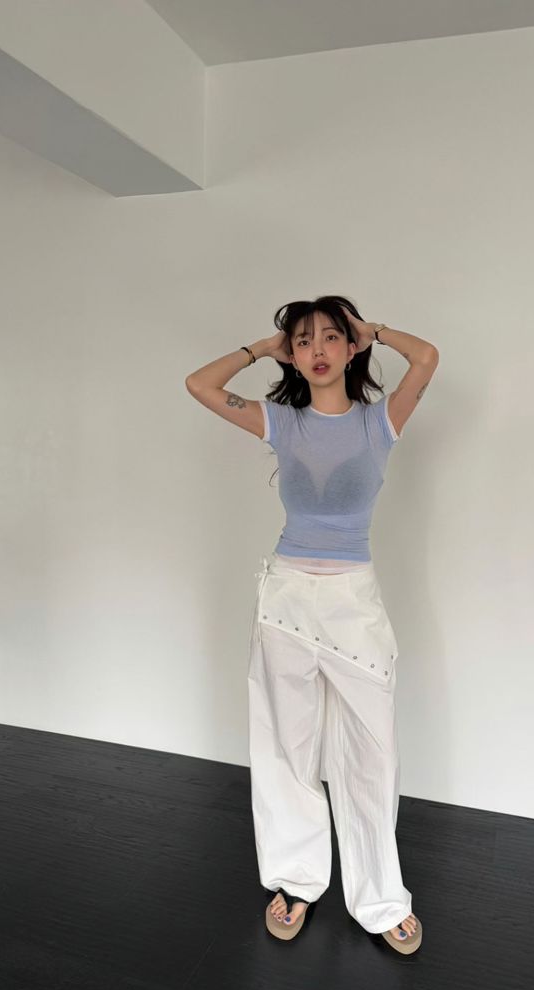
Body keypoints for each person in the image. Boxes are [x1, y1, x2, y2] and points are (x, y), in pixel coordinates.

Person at [185, 295, 439, 954]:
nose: (317, 349)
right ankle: (296, 881)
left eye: (331, 337)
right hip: (287, 598)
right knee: (286, 745)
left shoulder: (380, 423)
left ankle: (381, 897)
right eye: (303, 340)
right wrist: (261, 348)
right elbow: (199, 385)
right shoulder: (280, 422)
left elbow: (427, 358)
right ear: (291, 355)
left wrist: (375, 330)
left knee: (373, 751)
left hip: (354, 600)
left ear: (351, 347)